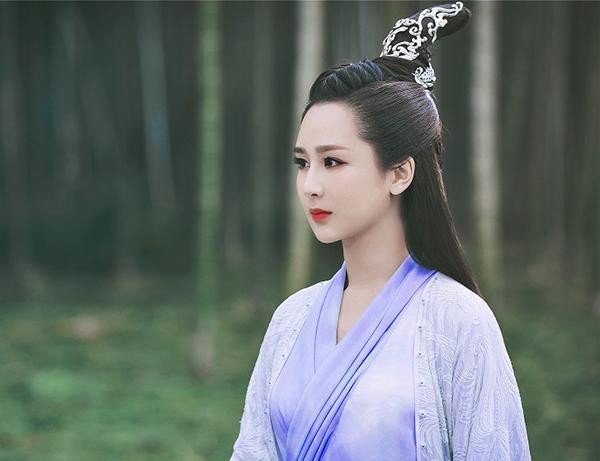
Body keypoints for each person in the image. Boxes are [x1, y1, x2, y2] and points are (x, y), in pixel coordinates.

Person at [230, 2, 531, 460]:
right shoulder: (291, 319)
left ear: (399, 173)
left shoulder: (457, 321)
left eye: (333, 161)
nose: (310, 185)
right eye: (302, 163)